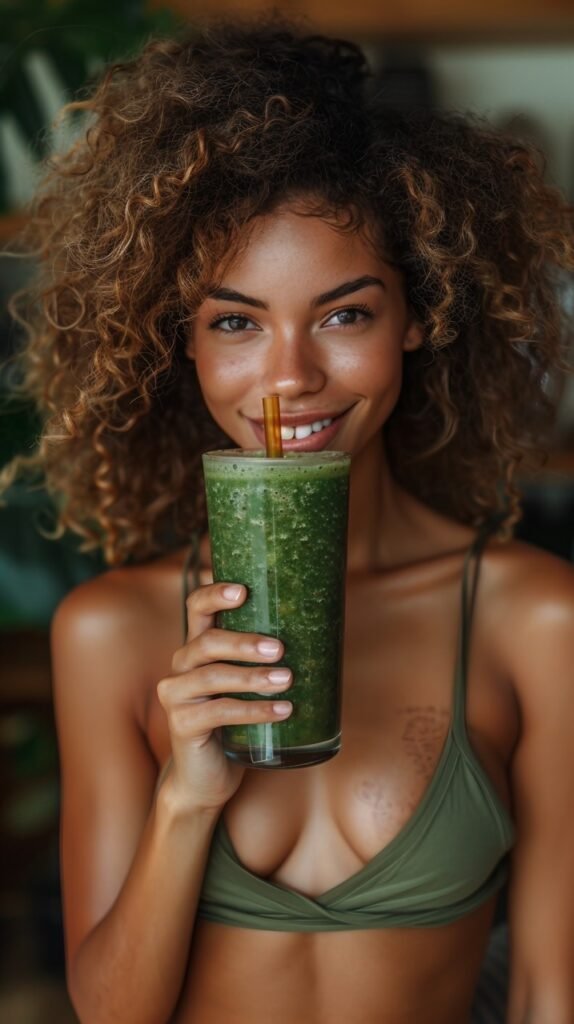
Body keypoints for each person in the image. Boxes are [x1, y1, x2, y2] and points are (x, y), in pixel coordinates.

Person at [3, 18, 574, 1024]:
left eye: (343, 314)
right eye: (235, 321)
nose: (289, 376)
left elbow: (545, 992)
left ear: (419, 315)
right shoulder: (114, 632)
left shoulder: (536, 620)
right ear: (178, 342)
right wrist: (186, 796)